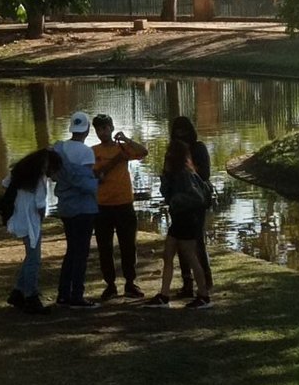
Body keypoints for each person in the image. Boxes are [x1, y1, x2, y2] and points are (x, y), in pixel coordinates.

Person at [144, 138, 212, 309]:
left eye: (168, 155)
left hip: (187, 220)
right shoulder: (173, 175)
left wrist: (177, 199)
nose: (166, 157)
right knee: (168, 255)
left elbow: (197, 197)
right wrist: (164, 177)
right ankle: (164, 295)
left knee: (191, 257)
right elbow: (166, 193)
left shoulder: (185, 174)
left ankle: (203, 295)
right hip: (178, 219)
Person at [91, 113, 148, 301]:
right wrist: (113, 163)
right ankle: (110, 285)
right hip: (102, 206)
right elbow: (93, 175)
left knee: (128, 245)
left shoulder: (123, 147)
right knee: (104, 247)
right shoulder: (93, 151)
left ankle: (130, 283)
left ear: (112, 128)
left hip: (124, 204)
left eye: (105, 128)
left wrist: (126, 139)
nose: (102, 132)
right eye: (99, 129)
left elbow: (143, 152)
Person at [4, 147, 63, 315]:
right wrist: (41, 219)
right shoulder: (38, 180)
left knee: (31, 257)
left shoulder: (20, 173)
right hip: (31, 222)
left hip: (18, 218)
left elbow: (4, 184)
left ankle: (17, 292)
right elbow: (40, 206)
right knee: (34, 260)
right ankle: (31, 296)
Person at [53, 111, 99, 308]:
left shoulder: (58, 150)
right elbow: (86, 182)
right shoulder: (86, 152)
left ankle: (63, 294)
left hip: (65, 207)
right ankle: (77, 295)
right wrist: (98, 181)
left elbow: (55, 176)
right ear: (87, 129)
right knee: (81, 252)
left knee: (71, 250)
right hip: (84, 208)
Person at [169, 116, 213, 298]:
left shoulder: (199, 148)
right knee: (180, 243)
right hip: (178, 202)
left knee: (197, 242)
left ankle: (206, 282)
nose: (180, 135)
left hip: (196, 202)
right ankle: (187, 283)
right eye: (177, 131)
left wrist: (188, 167)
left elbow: (205, 174)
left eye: (183, 131)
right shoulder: (173, 150)